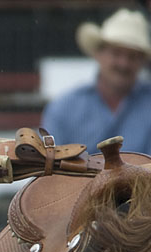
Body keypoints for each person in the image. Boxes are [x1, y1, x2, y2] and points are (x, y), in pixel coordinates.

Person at [41, 7, 151, 154]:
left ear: (142, 61)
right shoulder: (64, 108)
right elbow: (50, 170)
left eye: (132, 56)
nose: (123, 64)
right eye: (116, 53)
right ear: (99, 53)